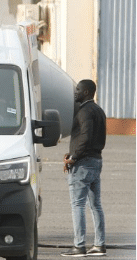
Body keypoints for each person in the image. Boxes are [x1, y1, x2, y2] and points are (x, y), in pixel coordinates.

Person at [61, 79, 107, 257]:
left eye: (78, 89)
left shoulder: (84, 111)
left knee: (78, 204)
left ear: (86, 92)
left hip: (83, 164)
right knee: (96, 205)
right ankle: (99, 245)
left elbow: (86, 137)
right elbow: (94, 138)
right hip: (96, 161)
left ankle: (79, 246)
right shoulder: (99, 111)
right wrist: (73, 152)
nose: (75, 92)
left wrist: (73, 157)